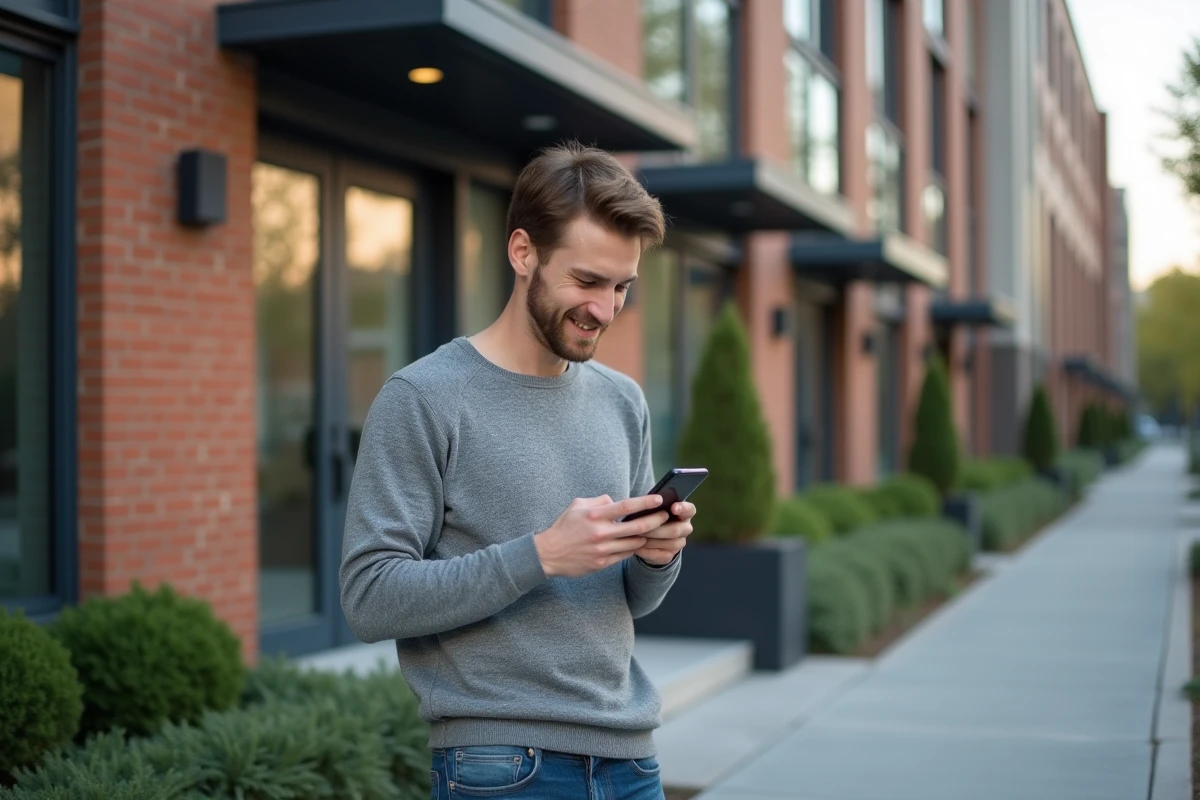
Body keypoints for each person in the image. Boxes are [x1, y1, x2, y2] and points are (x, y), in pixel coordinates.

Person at [339, 140, 697, 800]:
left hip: (631, 761)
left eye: (622, 287)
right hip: (502, 766)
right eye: (587, 282)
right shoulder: (424, 399)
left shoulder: (624, 401)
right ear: (523, 252)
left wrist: (656, 555)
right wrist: (542, 554)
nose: (605, 309)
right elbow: (368, 597)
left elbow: (633, 603)